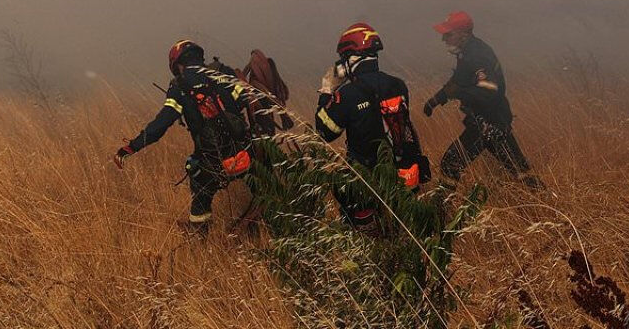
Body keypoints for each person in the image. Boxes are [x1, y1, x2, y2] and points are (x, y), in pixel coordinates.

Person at [114, 39, 276, 231]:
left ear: (177, 64)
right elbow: (250, 102)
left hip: (212, 164)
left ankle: (199, 234)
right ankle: (270, 221)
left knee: (199, 189)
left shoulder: (178, 87)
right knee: (266, 191)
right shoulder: (223, 72)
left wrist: (131, 147)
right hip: (246, 154)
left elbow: (161, 125)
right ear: (200, 57)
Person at [315, 22, 429, 228]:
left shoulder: (348, 94)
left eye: (343, 58)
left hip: (367, 181)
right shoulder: (398, 85)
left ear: (352, 57)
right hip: (402, 174)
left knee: (361, 230)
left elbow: (325, 132)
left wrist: (326, 92)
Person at [423, 11, 542, 189]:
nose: (444, 39)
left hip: (488, 124)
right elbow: (457, 82)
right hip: (488, 122)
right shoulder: (467, 52)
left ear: (463, 34)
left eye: (448, 34)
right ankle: (544, 203)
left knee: (450, 164)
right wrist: (436, 100)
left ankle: (442, 210)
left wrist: (461, 93)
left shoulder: (477, 54)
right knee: (520, 170)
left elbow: (490, 90)